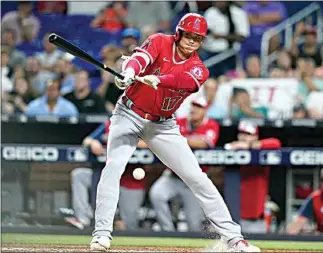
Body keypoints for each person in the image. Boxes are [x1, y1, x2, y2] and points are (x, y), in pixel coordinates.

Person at [89, 13, 260, 252]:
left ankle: (234, 239)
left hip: (162, 125)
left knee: (197, 178)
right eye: (188, 35)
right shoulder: (160, 40)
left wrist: (159, 79)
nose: (191, 41)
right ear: (179, 33)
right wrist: (128, 72)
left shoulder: (200, 68)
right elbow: (139, 58)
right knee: (113, 168)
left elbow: (183, 81)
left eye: (197, 38)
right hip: (128, 114)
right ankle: (101, 234)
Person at [58, 120, 146, 230]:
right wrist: (93, 142)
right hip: (104, 176)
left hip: (128, 181)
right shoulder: (109, 124)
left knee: (129, 225)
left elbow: (149, 143)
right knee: (79, 175)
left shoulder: (138, 124)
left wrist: (125, 142)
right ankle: (83, 219)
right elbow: (87, 140)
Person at [149, 97, 219, 232]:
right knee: (157, 194)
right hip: (172, 175)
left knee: (194, 224)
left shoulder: (211, 124)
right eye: (193, 106)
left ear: (205, 111)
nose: (194, 109)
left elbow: (203, 142)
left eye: (198, 107)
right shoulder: (179, 122)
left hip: (193, 181)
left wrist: (178, 140)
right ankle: (167, 231)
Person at [224, 121, 282, 233]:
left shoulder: (261, 150)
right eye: (242, 134)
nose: (244, 137)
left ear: (255, 136)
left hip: (255, 220)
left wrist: (251, 146)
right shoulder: (232, 149)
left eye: (248, 134)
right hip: (232, 217)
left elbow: (276, 143)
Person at [202, 1, 249, 77]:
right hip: (210, 53)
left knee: (227, 79)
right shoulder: (210, 12)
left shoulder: (238, 13)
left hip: (230, 54)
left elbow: (242, 36)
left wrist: (221, 36)